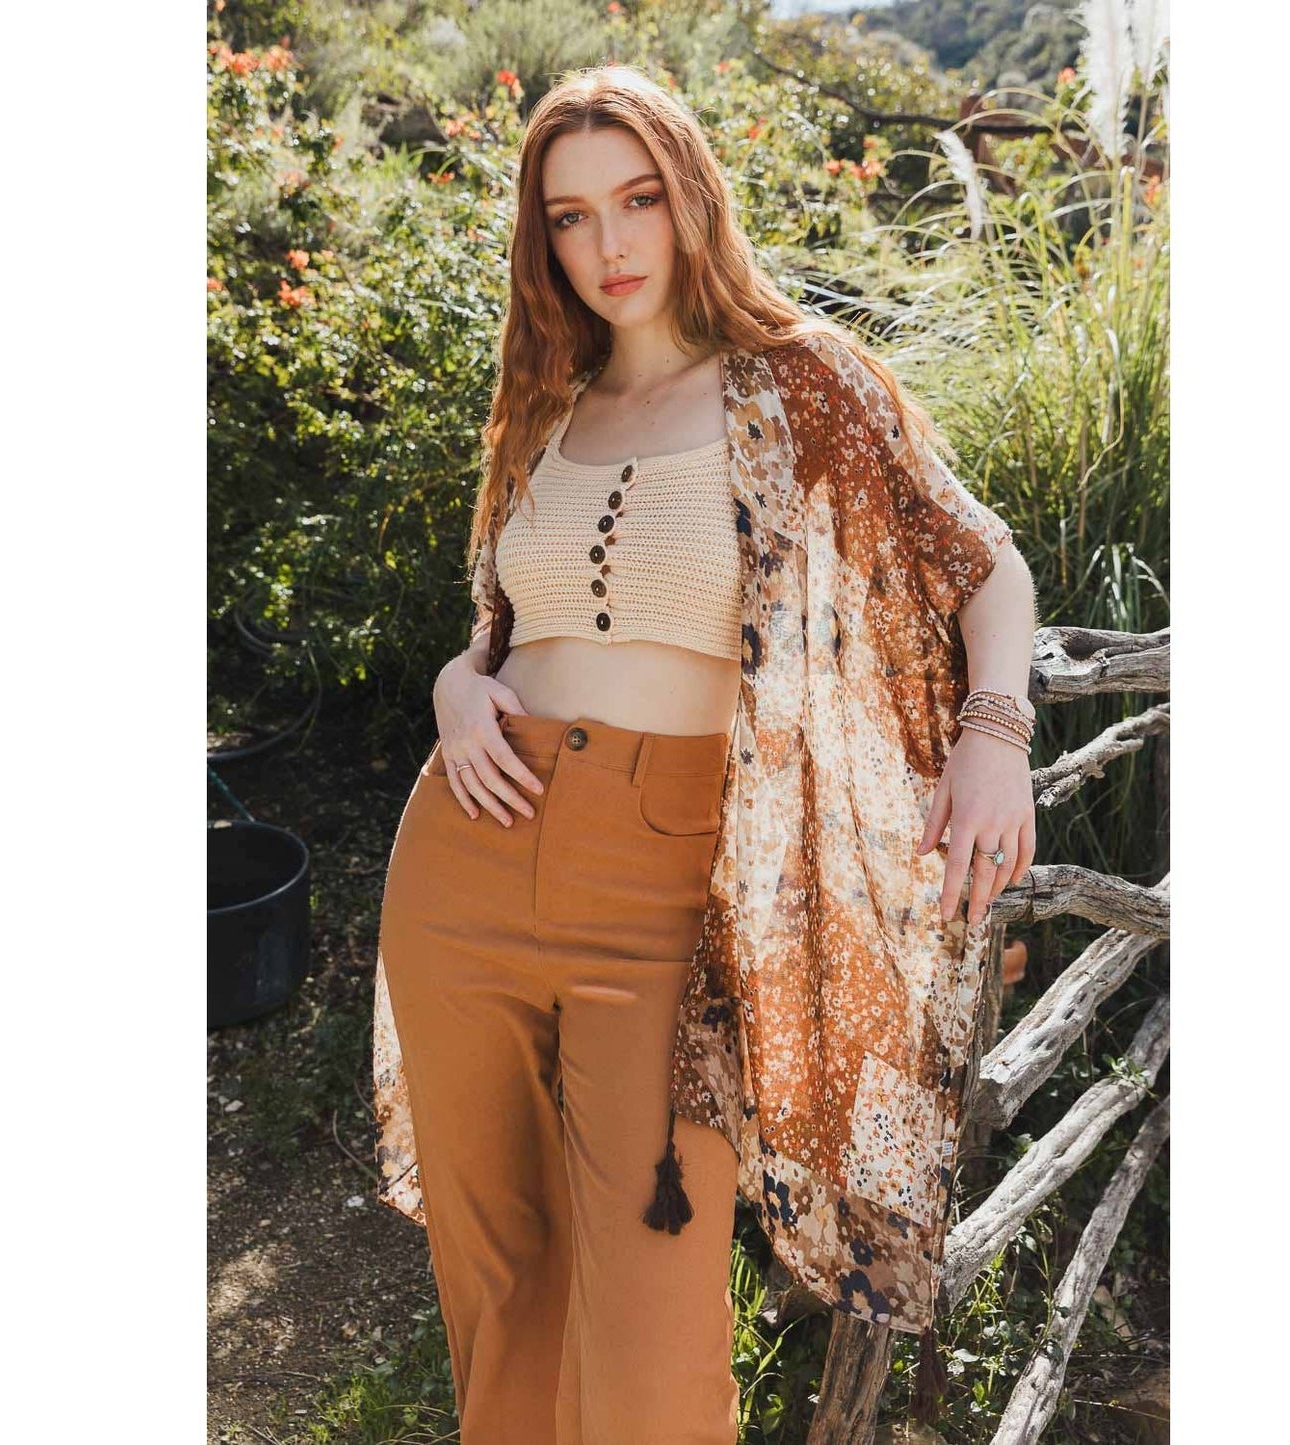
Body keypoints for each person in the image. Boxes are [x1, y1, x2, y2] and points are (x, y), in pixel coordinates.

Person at [373, 64, 1039, 1445]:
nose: (607, 245)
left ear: (690, 198)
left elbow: (984, 564)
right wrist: (453, 686)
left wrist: (993, 734)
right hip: (467, 860)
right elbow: (506, 628)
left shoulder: (799, 383)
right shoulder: (546, 401)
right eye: (569, 217)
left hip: (666, 891)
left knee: (653, 1339)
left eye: (636, 200)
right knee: (498, 1284)